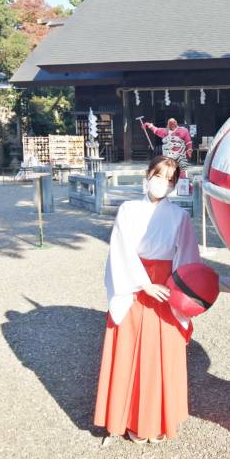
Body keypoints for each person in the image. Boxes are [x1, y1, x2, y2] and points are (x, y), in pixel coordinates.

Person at [94, 155, 202, 443]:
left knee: (161, 354)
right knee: (132, 352)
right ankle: (126, 419)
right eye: (159, 176)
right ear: (148, 175)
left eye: (170, 179)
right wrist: (142, 283)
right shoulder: (128, 209)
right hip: (134, 286)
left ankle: (157, 421)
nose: (163, 183)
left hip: (167, 287)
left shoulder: (180, 217)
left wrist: (180, 290)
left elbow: (189, 259)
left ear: (175, 184)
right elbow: (120, 250)